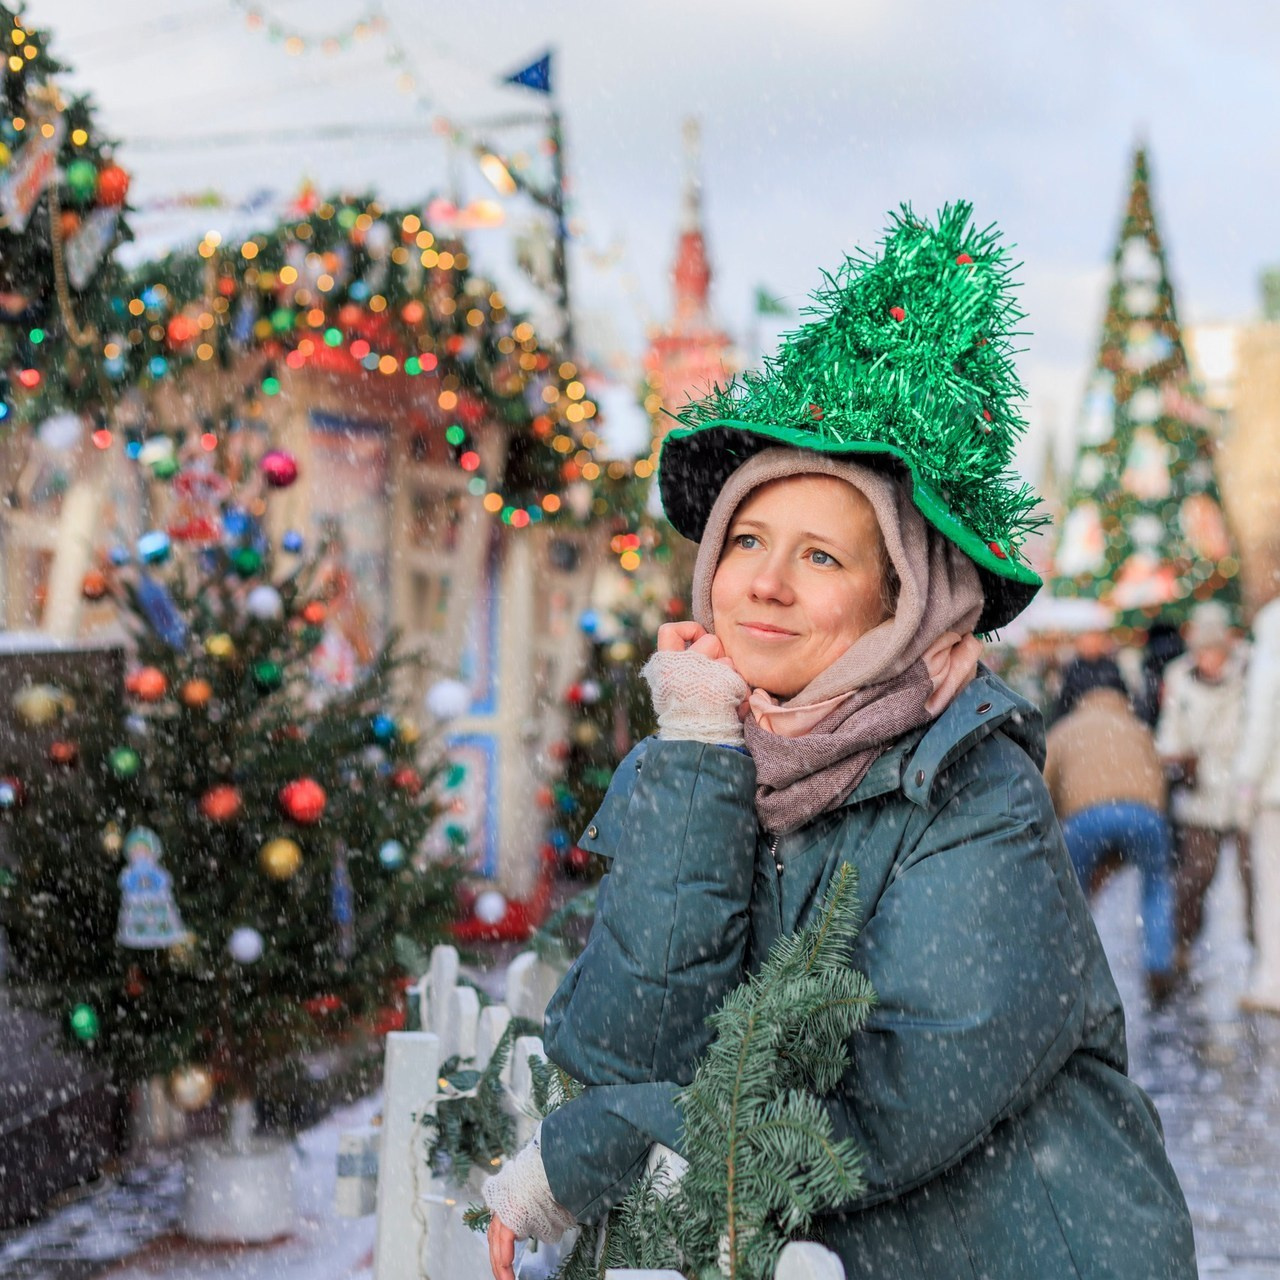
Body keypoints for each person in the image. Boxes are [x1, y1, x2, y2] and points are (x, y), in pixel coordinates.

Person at [484, 204, 1196, 1279]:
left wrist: (609, 1143)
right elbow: (625, 1046)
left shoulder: (971, 790)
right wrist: (695, 748)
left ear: (898, 602)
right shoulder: (693, 759)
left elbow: (890, 1103)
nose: (761, 582)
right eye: (747, 540)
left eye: (820, 555)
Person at [1044, 657, 1178, 1002]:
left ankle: (1072, 964)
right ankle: (1158, 964)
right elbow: (1159, 779)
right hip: (1145, 814)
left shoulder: (1064, 730)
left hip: (1084, 817)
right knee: (1156, 888)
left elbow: (1043, 790)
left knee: (1073, 895)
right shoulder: (1137, 727)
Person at [1155, 602, 1252, 973]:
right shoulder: (1179, 676)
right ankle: (1182, 946)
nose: (1209, 658)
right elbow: (1171, 730)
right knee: (1195, 875)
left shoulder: (1249, 671)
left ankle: (1264, 955)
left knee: (1256, 878)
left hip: (1243, 790)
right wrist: (1176, 757)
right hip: (1200, 792)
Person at [1235, 595, 1280, 1013]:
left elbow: (1263, 717)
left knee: (1272, 889)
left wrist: (1245, 783)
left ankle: (1272, 981)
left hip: (1274, 792)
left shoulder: (1271, 632)